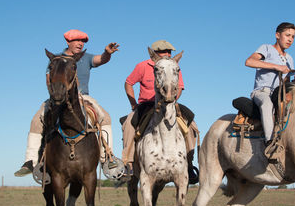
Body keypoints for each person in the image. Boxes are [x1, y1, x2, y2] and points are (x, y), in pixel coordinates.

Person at [14, 29, 120, 176]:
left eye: (83, 41)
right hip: (58, 96)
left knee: (105, 117)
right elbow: (48, 80)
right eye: (77, 40)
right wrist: (55, 95)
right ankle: (30, 162)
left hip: (82, 97)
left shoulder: (86, 57)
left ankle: (107, 158)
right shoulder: (56, 59)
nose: (80, 44)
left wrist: (107, 53)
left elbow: (101, 59)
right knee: (35, 120)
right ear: (68, 42)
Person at [122, 40, 199, 183]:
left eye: (170, 52)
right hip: (147, 104)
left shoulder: (174, 66)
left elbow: (180, 87)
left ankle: (189, 164)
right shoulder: (142, 66)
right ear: (155, 54)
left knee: (191, 125)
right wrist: (133, 103)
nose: (168, 54)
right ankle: (128, 163)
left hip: (169, 103)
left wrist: (172, 99)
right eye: (164, 51)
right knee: (128, 123)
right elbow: (128, 83)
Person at [245, 22, 295, 146]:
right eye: (287, 35)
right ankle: (269, 142)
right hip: (262, 92)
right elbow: (249, 61)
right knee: (267, 104)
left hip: (279, 93)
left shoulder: (290, 59)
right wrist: (276, 66)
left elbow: (286, 82)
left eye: (293, 37)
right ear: (277, 35)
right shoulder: (266, 48)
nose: (290, 39)